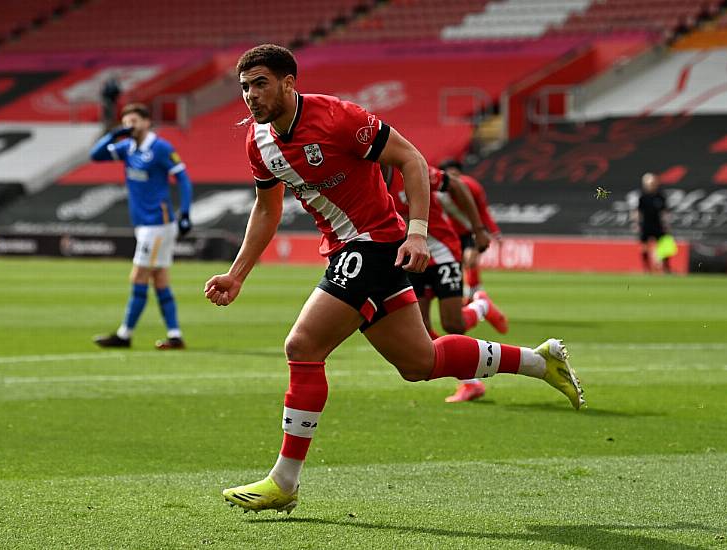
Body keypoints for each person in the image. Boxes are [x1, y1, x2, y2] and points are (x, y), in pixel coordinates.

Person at [204, 44, 584, 514]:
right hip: (347, 249)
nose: (250, 95)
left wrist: (418, 233)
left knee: (302, 347)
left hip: (375, 242)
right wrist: (237, 274)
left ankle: (284, 480)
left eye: (260, 83)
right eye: (244, 87)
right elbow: (267, 207)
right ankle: (539, 361)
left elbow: (412, 160)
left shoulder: (339, 118)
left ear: (288, 83)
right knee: (419, 363)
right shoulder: (257, 141)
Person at [384, 163, 507, 403]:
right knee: (419, 330)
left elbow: (458, 186)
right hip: (410, 255)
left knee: (454, 324)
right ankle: (470, 384)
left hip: (441, 251)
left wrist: (478, 229)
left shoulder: (408, 169)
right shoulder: (364, 181)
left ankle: (480, 305)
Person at [90, 103, 193, 349]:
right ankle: (175, 335)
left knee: (138, 276)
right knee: (160, 279)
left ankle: (125, 335)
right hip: (143, 224)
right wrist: (113, 135)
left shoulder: (160, 148)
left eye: (134, 121)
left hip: (157, 222)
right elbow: (96, 155)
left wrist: (186, 212)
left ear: (147, 122)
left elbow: (183, 179)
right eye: (126, 122)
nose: (130, 126)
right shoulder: (127, 148)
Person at [438, 159, 502, 299]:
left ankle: (473, 290)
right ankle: (473, 291)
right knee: (458, 263)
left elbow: (483, 210)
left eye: (455, 174)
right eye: (450, 175)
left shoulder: (472, 187)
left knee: (470, 259)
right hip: (454, 232)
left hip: (473, 230)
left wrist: (494, 231)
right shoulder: (439, 192)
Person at [632, 172, 671, 273]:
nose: (651, 185)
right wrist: (636, 223)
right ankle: (647, 268)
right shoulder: (643, 197)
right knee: (644, 247)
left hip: (658, 225)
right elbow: (638, 212)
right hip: (646, 225)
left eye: (653, 183)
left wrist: (666, 224)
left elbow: (664, 212)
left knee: (664, 247)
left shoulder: (660, 196)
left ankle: (666, 268)